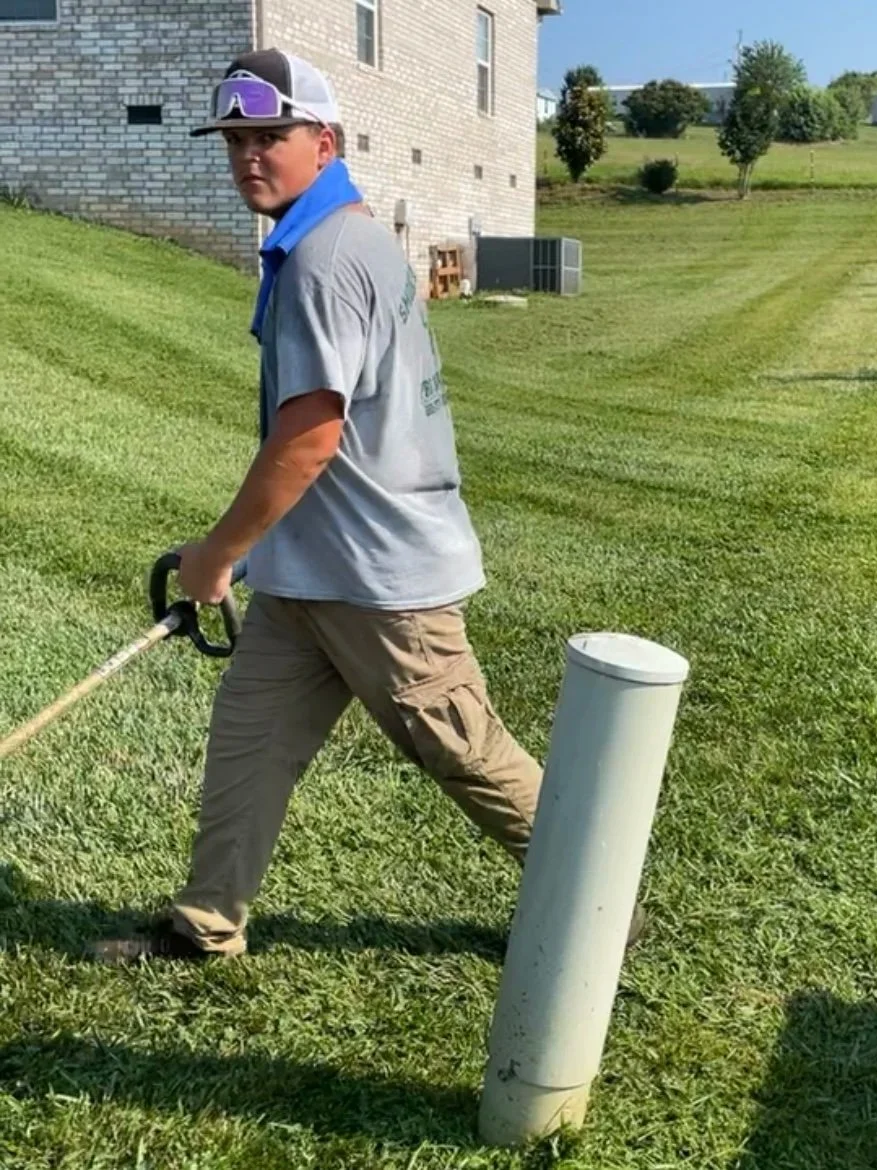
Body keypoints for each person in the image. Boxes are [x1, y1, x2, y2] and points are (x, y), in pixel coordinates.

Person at [93, 50, 643, 963]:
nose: (247, 158)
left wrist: (217, 554)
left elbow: (311, 436)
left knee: (463, 751)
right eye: (235, 141)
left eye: (270, 137)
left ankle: (601, 908)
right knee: (249, 740)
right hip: (313, 572)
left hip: (384, 580)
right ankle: (205, 925)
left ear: (325, 141)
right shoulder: (334, 240)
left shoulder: (323, 259)